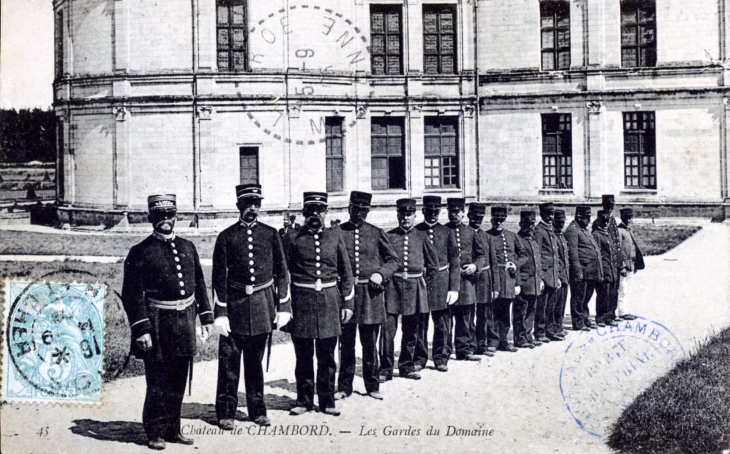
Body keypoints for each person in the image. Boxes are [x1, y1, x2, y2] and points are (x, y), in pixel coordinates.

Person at [121, 194, 213, 450]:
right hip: (158, 324)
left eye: (169, 216)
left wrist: (206, 317)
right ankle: (155, 432)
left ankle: (174, 429)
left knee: (178, 379)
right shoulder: (140, 251)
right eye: (160, 216)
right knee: (158, 381)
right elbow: (132, 295)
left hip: (184, 322)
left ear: (176, 217)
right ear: (151, 218)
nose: (165, 220)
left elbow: (200, 285)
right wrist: (142, 329)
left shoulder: (187, 246)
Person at [212, 184, 291, 429]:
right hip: (234, 308)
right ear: (239, 206)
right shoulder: (226, 236)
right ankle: (226, 412)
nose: (252, 208)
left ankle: (257, 410)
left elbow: (281, 272)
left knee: (255, 364)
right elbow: (218, 277)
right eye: (247, 204)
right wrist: (221, 313)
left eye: (256, 204)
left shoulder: (270, 234)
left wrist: (284, 307)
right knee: (229, 364)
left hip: (261, 307)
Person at [283, 192, 354, 416]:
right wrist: (285, 306)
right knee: (303, 356)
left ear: (326, 213)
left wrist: (347, 304)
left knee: (327, 356)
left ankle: (327, 401)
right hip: (302, 304)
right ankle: (303, 401)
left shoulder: (335, 237)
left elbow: (346, 273)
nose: (315, 214)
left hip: (329, 303)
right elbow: (283, 273)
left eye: (319, 210)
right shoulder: (292, 238)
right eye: (311, 210)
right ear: (304, 212)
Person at [334, 191, 399, 401]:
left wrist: (381, 274)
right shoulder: (337, 232)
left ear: (368, 211)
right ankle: (344, 386)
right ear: (349, 208)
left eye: (364, 210)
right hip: (346, 296)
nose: (359, 213)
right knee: (346, 344)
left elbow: (393, 261)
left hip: (370, 296)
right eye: (356, 209)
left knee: (369, 344)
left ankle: (372, 386)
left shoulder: (377, 232)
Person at [381, 198, 439, 381]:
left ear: (415, 215)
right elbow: (382, 263)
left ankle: (406, 366)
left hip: (415, 289)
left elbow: (434, 267)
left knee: (411, 330)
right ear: (397, 215)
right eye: (402, 214)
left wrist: (422, 285)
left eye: (409, 214)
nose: (405, 218)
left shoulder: (421, 237)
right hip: (393, 289)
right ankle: (385, 368)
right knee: (388, 331)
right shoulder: (389, 236)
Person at [414, 196, 460, 372]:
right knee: (421, 322)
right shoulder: (417, 231)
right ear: (423, 211)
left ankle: (441, 357)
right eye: (429, 211)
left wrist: (454, 288)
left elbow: (455, 261)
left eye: (436, 211)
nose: (433, 214)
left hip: (441, 281)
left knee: (442, 323)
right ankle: (420, 358)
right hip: (422, 281)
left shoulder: (447, 232)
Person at [445, 198, 486, 361]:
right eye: (451, 212)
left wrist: (475, 266)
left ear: (463, 214)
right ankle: (445, 351)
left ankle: (464, 350)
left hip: (466, 282)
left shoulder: (471, 232)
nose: (454, 215)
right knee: (446, 319)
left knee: (464, 318)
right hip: (447, 281)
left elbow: (481, 255)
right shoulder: (443, 231)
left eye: (457, 212)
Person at [484, 206, 528, 353]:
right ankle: (492, 341)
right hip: (493, 278)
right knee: (492, 311)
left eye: (501, 220)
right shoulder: (486, 236)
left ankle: (503, 340)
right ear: (491, 220)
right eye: (496, 220)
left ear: (505, 220)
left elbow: (523, 254)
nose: (498, 223)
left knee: (505, 311)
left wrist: (515, 264)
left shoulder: (512, 236)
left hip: (509, 278)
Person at [564, 205, 603, 331]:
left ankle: (585, 318)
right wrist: (577, 271)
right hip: (581, 271)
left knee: (586, 297)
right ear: (579, 217)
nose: (589, 220)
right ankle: (578, 322)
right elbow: (573, 253)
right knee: (578, 298)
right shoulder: (572, 230)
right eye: (586, 217)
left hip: (590, 271)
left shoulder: (584, 229)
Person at [469, 203, 499, 357]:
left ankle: (482, 344)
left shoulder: (487, 237)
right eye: (474, 217)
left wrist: (495, 287)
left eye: (480, 218)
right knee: (468, 314)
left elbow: (493, 263)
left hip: (484, 280)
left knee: (483, 314)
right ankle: (470, 345)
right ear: (468, 216)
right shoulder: (464, 233)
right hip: (468, 280)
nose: (477, 220)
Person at [533, 202, 565, 342]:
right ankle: (540, 333)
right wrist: (540, 277)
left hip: (552, 274)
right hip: (544, 274)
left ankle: (550, 330)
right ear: (541, 214)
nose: (551, 217)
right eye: (548, 214)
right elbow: (537, 254)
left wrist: (557, 275)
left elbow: (555, 255)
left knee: (551, 305)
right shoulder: (539, 231)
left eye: (552, 214)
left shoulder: (550, 230)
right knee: (542, 306)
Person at [514, 211, 544, 348]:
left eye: (532, 223)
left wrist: (541, 279)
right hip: (524, 282)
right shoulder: (517, 239)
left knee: (531, 310)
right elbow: (516, 263)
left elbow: (538, 263)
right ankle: (520, 338)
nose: (530, 226)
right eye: (527, 223)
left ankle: (528, 336)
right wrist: (517, 282)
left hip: (535, 282)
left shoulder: (533, 240)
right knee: (521, 311)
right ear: (521, 224)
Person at [593, 195, 623, 322]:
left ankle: (611, 314)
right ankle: (602, 316)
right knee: (604, 291)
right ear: (603, 203)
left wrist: (620, 263)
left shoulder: (613, 220)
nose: (611, 205)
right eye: (608, 203)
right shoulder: (599, 221)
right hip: (605, 262)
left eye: (612, 203)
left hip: (614, 262)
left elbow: (617, 244)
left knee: (614, 290)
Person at [617, 208, 644, 320]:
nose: (629, 220)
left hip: (631, 264)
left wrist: (635, 264)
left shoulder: (628, 230)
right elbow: (618, 250)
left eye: (630, 217)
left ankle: (625, 310)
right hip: (624, 266)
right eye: (627, 218)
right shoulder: (619, 231)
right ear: (622, 218)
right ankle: (622, 312)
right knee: (622, 289)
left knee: (627, 289)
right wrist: (621, 265)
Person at [550, 210, 571, 337]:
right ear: (553, 221)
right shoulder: (552, 236)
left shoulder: (562, 236)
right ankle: (552, 328)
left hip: (565, 275)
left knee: (561, 303)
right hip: (557, 275)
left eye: (563, 222)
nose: (561, 224)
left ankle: (558, 326)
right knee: (554, 304)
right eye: (559, 222)